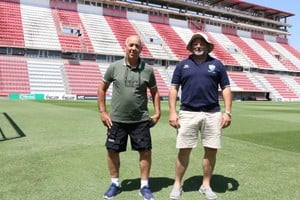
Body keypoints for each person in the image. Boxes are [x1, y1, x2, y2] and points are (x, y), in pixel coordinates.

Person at [168, 32, 232, 200]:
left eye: (201, 43)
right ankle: (177, 185)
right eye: (195, 43)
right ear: (191, 46)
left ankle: (206, 185)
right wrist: (173, 112)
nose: (198, 46)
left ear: (207, 45)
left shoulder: (217, 65)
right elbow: (174, 88)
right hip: (188, 113)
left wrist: (228, 112)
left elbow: (226, 88)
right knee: (184, 150)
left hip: (212, 113)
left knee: (211, 150)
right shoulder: (182, 65)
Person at [97, 35, 161, 200]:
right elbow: (102, 89)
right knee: (112, 151)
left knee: (145, 152)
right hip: (117, 119)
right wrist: (103, 112)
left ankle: (144, 186)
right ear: (125, 46)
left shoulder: (147, 69)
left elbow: (155, 92)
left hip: (140, 120)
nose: (133, 48)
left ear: (141, 49)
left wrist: (158, 112)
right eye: (131, 45)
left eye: (137, 46)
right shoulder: (114, 67)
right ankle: (115, 183)